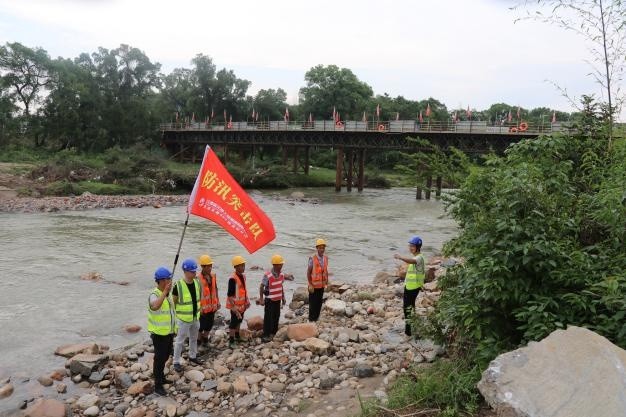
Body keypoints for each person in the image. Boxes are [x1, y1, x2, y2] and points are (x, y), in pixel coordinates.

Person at [148, 267, 177, 396]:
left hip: (168, 332)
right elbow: (154, 306)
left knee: (165, 356)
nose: (170, 281)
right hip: (159, 334)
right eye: (168, 279)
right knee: (159, 359)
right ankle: (158, 386)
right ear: (161, 281)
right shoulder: (154, 294)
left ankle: (161, 377)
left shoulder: (167, 295)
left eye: (170, 278)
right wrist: (164, 292)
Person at [172, 258, 204, 372]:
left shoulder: (197, 282)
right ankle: (176, 361)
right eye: (192, 271)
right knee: (180, 341)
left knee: (194, 338)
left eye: (195, 271)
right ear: (185, 271)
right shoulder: (178, 286)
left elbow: (199, 298)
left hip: (195, 317)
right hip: (183, 319)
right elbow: (174, 302)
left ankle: (193, 356)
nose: (194, 273)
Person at [394, 236, 425, 336]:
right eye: (410, 246)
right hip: (410, 286)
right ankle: (415, 326)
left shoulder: (419, 258)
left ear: (418, 247)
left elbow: (412, 261)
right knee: (411, 307)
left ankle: (408, 333)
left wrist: (400, 257)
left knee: (407, 309)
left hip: (414, 287)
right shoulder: (416, 257)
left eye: (412, 246)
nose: (410, 248)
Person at [259, 254, 286, 342]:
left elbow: (280, 286)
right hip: (269, 300)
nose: (281, 266)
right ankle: (266, 335)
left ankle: (274, 332)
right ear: (274, 265)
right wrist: (261, 299)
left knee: (276, 315)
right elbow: (261, 286)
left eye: (282, 264)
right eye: (280, 264)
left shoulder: (281, 274)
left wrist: (283, 297)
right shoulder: (268, 275)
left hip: (277, 299)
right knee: (268, 317)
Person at [226, 255, 250, 348]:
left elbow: (243, 290)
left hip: (242, 305)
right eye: (241, 265)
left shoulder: (243, 276)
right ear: (235, 267)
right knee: (233, 322)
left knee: (239, 321)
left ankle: (237, 336)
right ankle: (231, 341)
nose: (243, 267)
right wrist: (234, 308)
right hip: (235, 306)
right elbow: (230, 295)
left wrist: (247, 301)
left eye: (243, 265)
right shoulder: (232, 279)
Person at [197, 254, 220, 348]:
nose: (210, 268)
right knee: (200, 326)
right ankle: (198, 341)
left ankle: (205, 339)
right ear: (203, 267)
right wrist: (199, 308)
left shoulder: (213, 276)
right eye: (208, 266)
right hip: (203, 308)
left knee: (210, 324)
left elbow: (216, 289)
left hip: (212, 306)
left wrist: (218, 301)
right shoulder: (198, 278)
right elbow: (196, 294)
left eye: (211, 266)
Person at [307, 238, 329, 322]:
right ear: (317, 248)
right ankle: (311, 319)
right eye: (320, 248)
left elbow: (326, 270)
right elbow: (308, 272)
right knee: (313, 303)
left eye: (323, 248)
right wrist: (310, 284)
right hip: (313, 285)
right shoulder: (312, 258)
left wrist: (327, 281)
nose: (322, 249)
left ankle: (316, 319)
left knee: (319, 303)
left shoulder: (326, 258)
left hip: (322, 285)